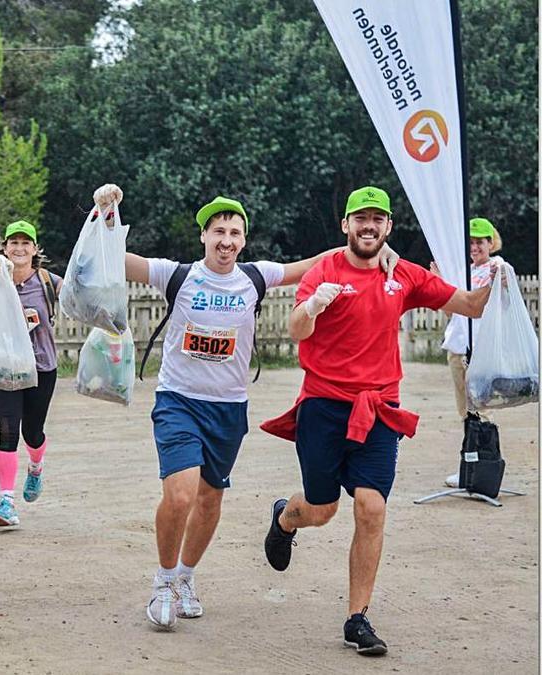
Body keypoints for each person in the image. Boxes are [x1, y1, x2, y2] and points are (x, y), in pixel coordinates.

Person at [90, 184, 398, 631]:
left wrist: (381, 250)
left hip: (229, 409)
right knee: (180, 494)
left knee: (210, 500)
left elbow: (318, 263)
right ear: (204, 236)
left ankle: (185, 578)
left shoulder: (256, 276)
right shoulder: (173, 274)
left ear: (243, 240)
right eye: (218, 231)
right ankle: (162, 580)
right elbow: (114, 257)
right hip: (178, 401)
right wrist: (105, 215)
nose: (226, 240)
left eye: (235, 232)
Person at [259, 186, 496, 656]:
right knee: (323, 511)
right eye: (360, 219)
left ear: (388, 228)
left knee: (371, 508)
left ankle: (357, 618)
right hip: (323, 407)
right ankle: (287, 517)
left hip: (379, 409)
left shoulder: (401, 275)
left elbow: (469, 306)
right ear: (345, 225)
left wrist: (494, 278)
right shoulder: (324, 270)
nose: (369, 227)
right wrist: (312, 306)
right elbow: (295, 330)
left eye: (378, 220)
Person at [0, 220, 62, 528]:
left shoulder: (48, 281)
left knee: (32, 433)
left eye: (26, 243)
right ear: (4, 248)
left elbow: (78, 299)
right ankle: (6, 502)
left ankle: (36, 466)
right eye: (14, 243)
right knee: (7, 433)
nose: (19, 248)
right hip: (5, 369)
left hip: (41, 368)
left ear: (35, 250)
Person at [436, 218, 503, 487]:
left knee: (483, 410)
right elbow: (451, 311)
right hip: (457, 347)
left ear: (491, 243)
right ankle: (469, 467)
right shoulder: (462, 272)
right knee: (465, 411)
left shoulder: (497, 268)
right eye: (471, 242)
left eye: (480, 241)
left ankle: (486, 468)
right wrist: (442, 282)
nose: (475, 247)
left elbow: (504, 300)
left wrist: (500, 279)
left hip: (482, 349)